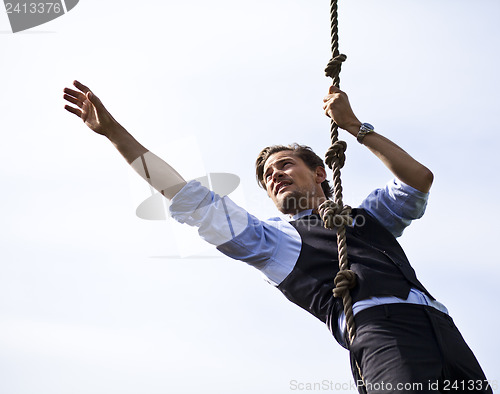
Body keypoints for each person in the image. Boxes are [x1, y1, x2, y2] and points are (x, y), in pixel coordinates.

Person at [64, 81, 492, 393]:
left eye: (285, 165)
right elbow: (185, 195)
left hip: (444, 329)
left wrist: (355, 126)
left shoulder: (365, 217)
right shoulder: (271, 242)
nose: (275, 176)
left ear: (320, 172)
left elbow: (418, 181)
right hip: (382, 335)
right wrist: (114, 132)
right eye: (268, 177)